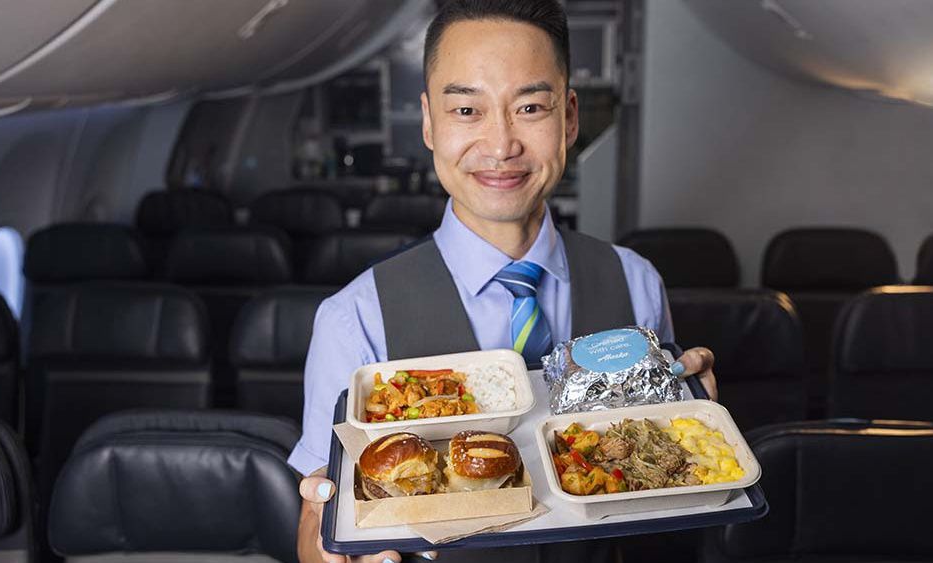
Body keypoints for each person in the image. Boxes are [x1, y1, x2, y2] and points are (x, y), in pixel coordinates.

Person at [292, 2, 719, 562]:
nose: (500, 145)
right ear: (429, 122)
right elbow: (316, 517)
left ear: (568, 118)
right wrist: (328, 550)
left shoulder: (637, 282)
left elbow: (656, 502)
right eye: (467, 109)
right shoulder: (354, 318)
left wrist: (692, 432)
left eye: (530, 107)